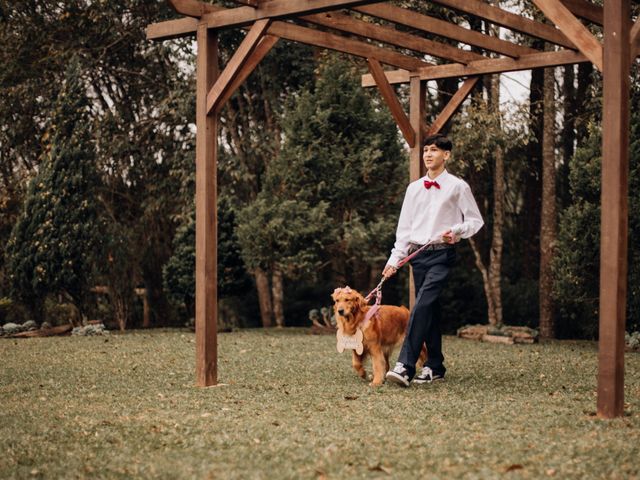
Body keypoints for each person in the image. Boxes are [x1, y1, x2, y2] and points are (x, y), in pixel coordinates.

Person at [383, 133, 484, 387]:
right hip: (418, 257)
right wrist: (394, 260)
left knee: (421, 306)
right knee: (430, 310)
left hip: (442, 254)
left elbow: (475, 220)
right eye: (426, 150)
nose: (428, 154)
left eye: (435, 150)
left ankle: (404, 365)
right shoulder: (414, 188)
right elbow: (404, 229)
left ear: (446, 155)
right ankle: (434, 366)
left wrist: (457, 232)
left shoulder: (458, 186)